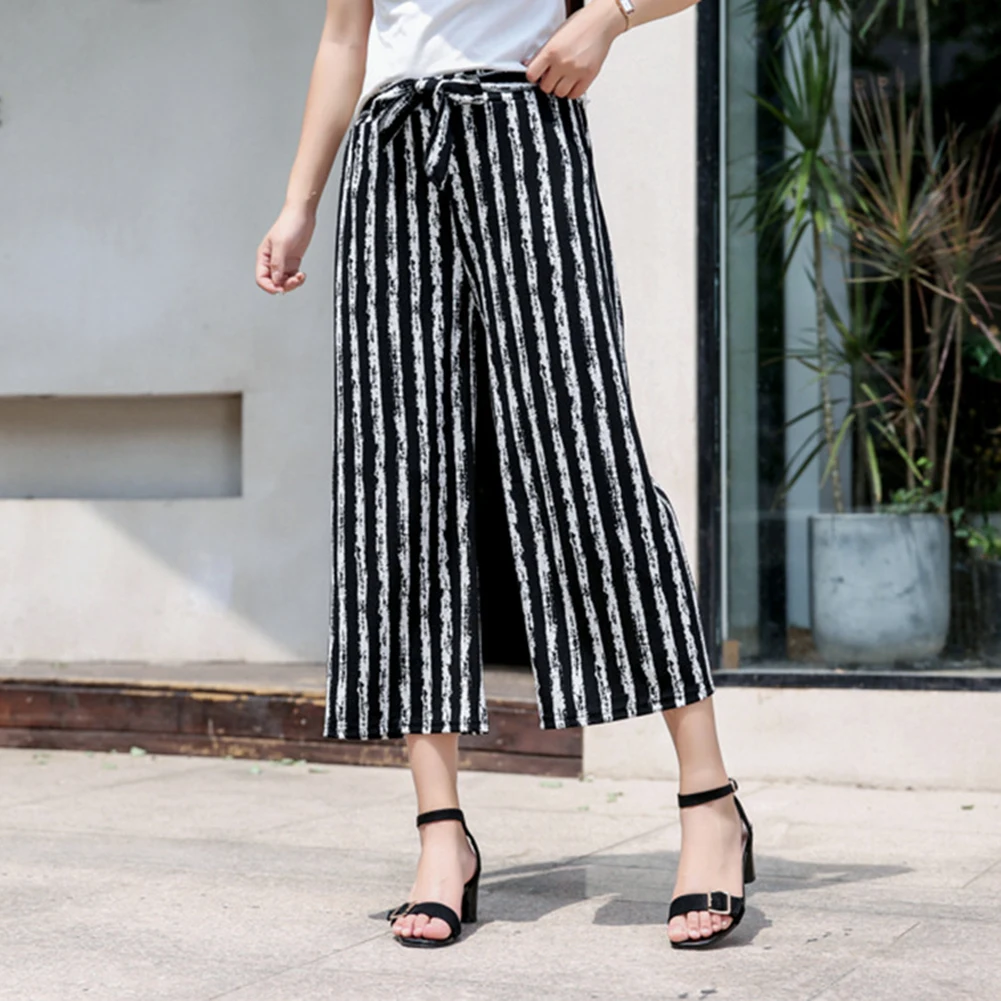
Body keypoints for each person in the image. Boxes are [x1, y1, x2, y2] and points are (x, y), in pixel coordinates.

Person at [256, 0, 755, 951]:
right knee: (397, 475)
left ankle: (709, 800)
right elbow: (344, 39)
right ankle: (440, 831)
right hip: (389, 155)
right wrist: (300, 201)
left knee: (585, 455)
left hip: (523, 129)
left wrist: (609, 16)